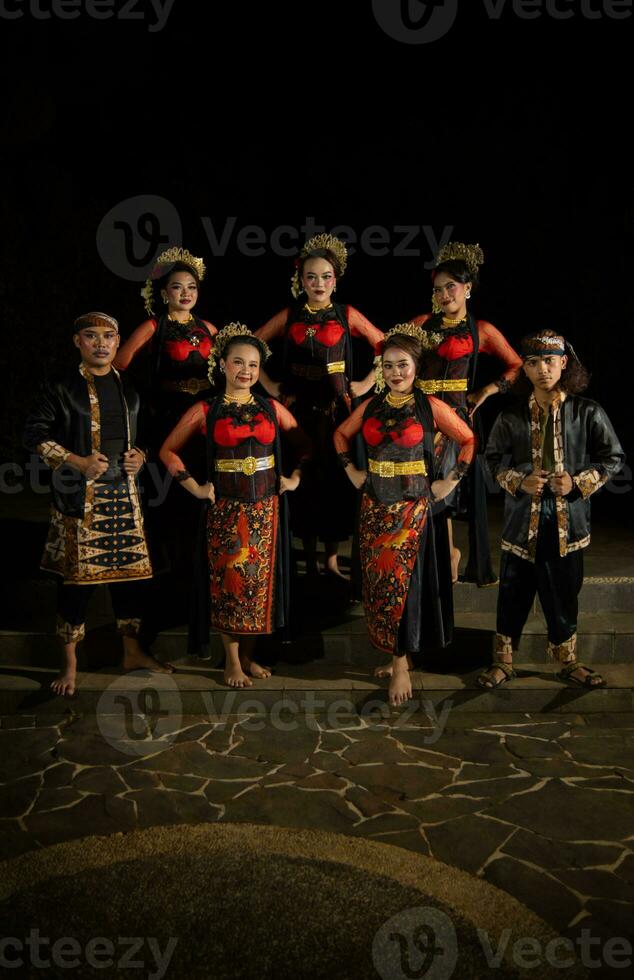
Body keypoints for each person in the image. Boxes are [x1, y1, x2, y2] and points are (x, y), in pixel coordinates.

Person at [23, 312, 173, 698]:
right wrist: (78, 462)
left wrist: (141, 455)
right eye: (91, 336)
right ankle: (69, 665)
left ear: (119, 341)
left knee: (131, 582)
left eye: (108, 336)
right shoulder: (61, 386)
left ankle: (132, 653)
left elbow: (153, 434)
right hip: (80, 501)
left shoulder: (132, 388)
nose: (101, 343)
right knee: (76, 586)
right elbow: (34, 434)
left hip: (125, 498)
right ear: (77, 341)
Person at [159, 323, 309, 688]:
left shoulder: (271, 408)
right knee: (230, 585)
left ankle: (249, 657)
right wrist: (193, 486)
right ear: (222, 364)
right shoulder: (206, 409)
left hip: (266, 510)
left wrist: (294, 478)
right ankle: (230, 662)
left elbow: (304, 445)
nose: (246, 371)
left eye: (253, 365)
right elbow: (167, 450)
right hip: (226, 508)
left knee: (259, 586)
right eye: (238, 362)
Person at [334, 325, 476, 706]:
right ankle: (399, 654)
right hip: (375, 505)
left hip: (413, 508)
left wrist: (450, 482)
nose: (397, 372)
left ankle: (400, 664)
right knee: (382, 585)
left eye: (404, 365)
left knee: (405, 586)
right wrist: (352, 471)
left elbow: (468, 439)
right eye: (389, 366)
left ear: (417, 368)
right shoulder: (372, 406)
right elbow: (340, 436)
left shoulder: (430, 406)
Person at [479, 329, 625, 689]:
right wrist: (518, 480)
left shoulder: (587, 411)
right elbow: (491, 461)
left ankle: (568, 661)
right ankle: (503, 662)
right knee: (512, 591)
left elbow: (614, 458)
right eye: (533, 363)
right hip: (520, 524)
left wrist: (578, 482)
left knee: (563, 592)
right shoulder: (511, 416)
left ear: (564, 363)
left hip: (567, 523)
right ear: (524, 371)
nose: (542, 368)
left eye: (549, 360)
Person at [254, 233, 384, 579]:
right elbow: (251, 344)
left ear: (335, 280)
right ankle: (307, 557)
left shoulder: (347, 314)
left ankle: (329, 558)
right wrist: (267, 385)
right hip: (298, 412)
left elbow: (386, 345)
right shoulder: (289, 314)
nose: (319, 283)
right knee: (303, 479)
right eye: (311, 276)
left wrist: (366, 384)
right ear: (301, 280)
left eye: (326, 276)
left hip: (336, 411)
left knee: (334, 483)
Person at [113, 247, 218, 628]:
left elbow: (235, 367)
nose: (186, 293)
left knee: (201, 506)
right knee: (166, 506)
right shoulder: (154, 326)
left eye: (191, 287)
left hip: (203, 427)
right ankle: (163, 590)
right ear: (164, 294)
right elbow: (119, 366)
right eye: (177, 287)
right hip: (165, 422)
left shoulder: (209, 330)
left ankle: (200, 590)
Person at [409, 242, 522, 585]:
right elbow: (389, 352)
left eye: (451, 287)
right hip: (420, 414)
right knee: (417, 482)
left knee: (441, 484)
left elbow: (516, 365)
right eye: (438, 289)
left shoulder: (482, 330)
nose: (444, 294)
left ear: (467, 288)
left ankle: (449, 554)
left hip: (456, 419)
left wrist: (486, 391)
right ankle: (437, 552)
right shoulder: (422, 323)